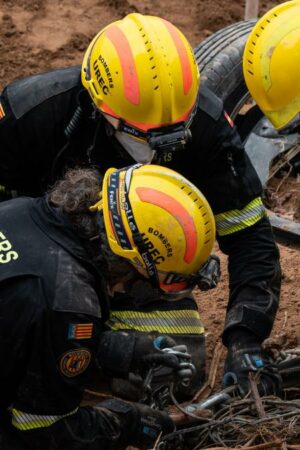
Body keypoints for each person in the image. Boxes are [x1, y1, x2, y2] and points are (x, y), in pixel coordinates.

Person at [0, 13, 282, 398]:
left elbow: (250, 234)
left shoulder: (205, 122)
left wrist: (246, 334)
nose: (159, 148)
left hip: (135, 273)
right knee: (36, 357)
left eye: (175, 133)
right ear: (101, 106)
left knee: (177, 363)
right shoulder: (30, 113)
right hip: (37, 262)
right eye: (144, 135)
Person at [0, 163, 216, 449]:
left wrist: (124, 350)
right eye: (145, 282)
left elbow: (22, 327)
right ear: (127, 262)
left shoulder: (18, 210)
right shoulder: (68, 302)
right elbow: (39, 432)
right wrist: (129, 422)